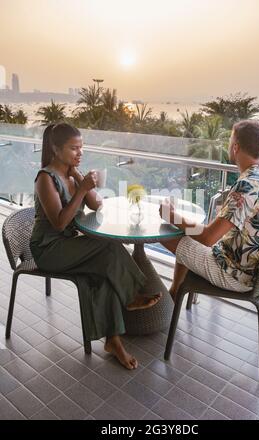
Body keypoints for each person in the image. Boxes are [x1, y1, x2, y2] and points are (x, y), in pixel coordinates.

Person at [30, 123, 161, 370]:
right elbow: (59, 223)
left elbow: (97, 205)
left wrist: (82, 181)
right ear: (56, 149)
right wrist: (80, 190)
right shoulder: (45, 178)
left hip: (70, 246)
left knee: (103, 272)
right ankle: (131, 294)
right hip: (48, 249)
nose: (80, 153)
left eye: (81, 148)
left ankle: (113, 341)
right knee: (108, 249)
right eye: (74, 149)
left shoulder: (72, 174)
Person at [159, 120, 259, 300]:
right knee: (186, 229)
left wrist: (170, 216)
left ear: (235, 147)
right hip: (255, 271)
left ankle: (164, 293)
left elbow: (208, 238)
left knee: (165, 230)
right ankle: (175, 292)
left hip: (236, 275)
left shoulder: (246, 185)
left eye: (229, 141)